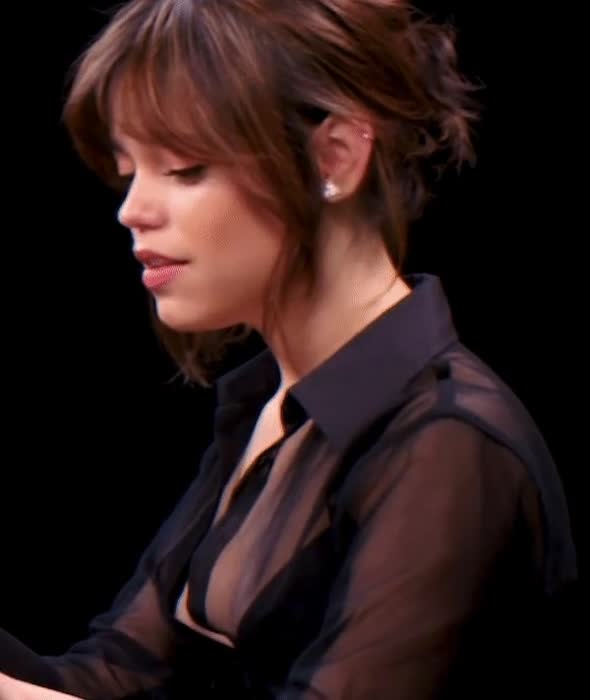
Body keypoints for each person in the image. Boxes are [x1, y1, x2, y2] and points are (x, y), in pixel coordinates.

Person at [0, 0, 578, 698]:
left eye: (183, 167)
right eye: (130, 172)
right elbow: (117, 677)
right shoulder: (273, 407)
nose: (132, 209)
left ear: (335, 156)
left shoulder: (448, 444)